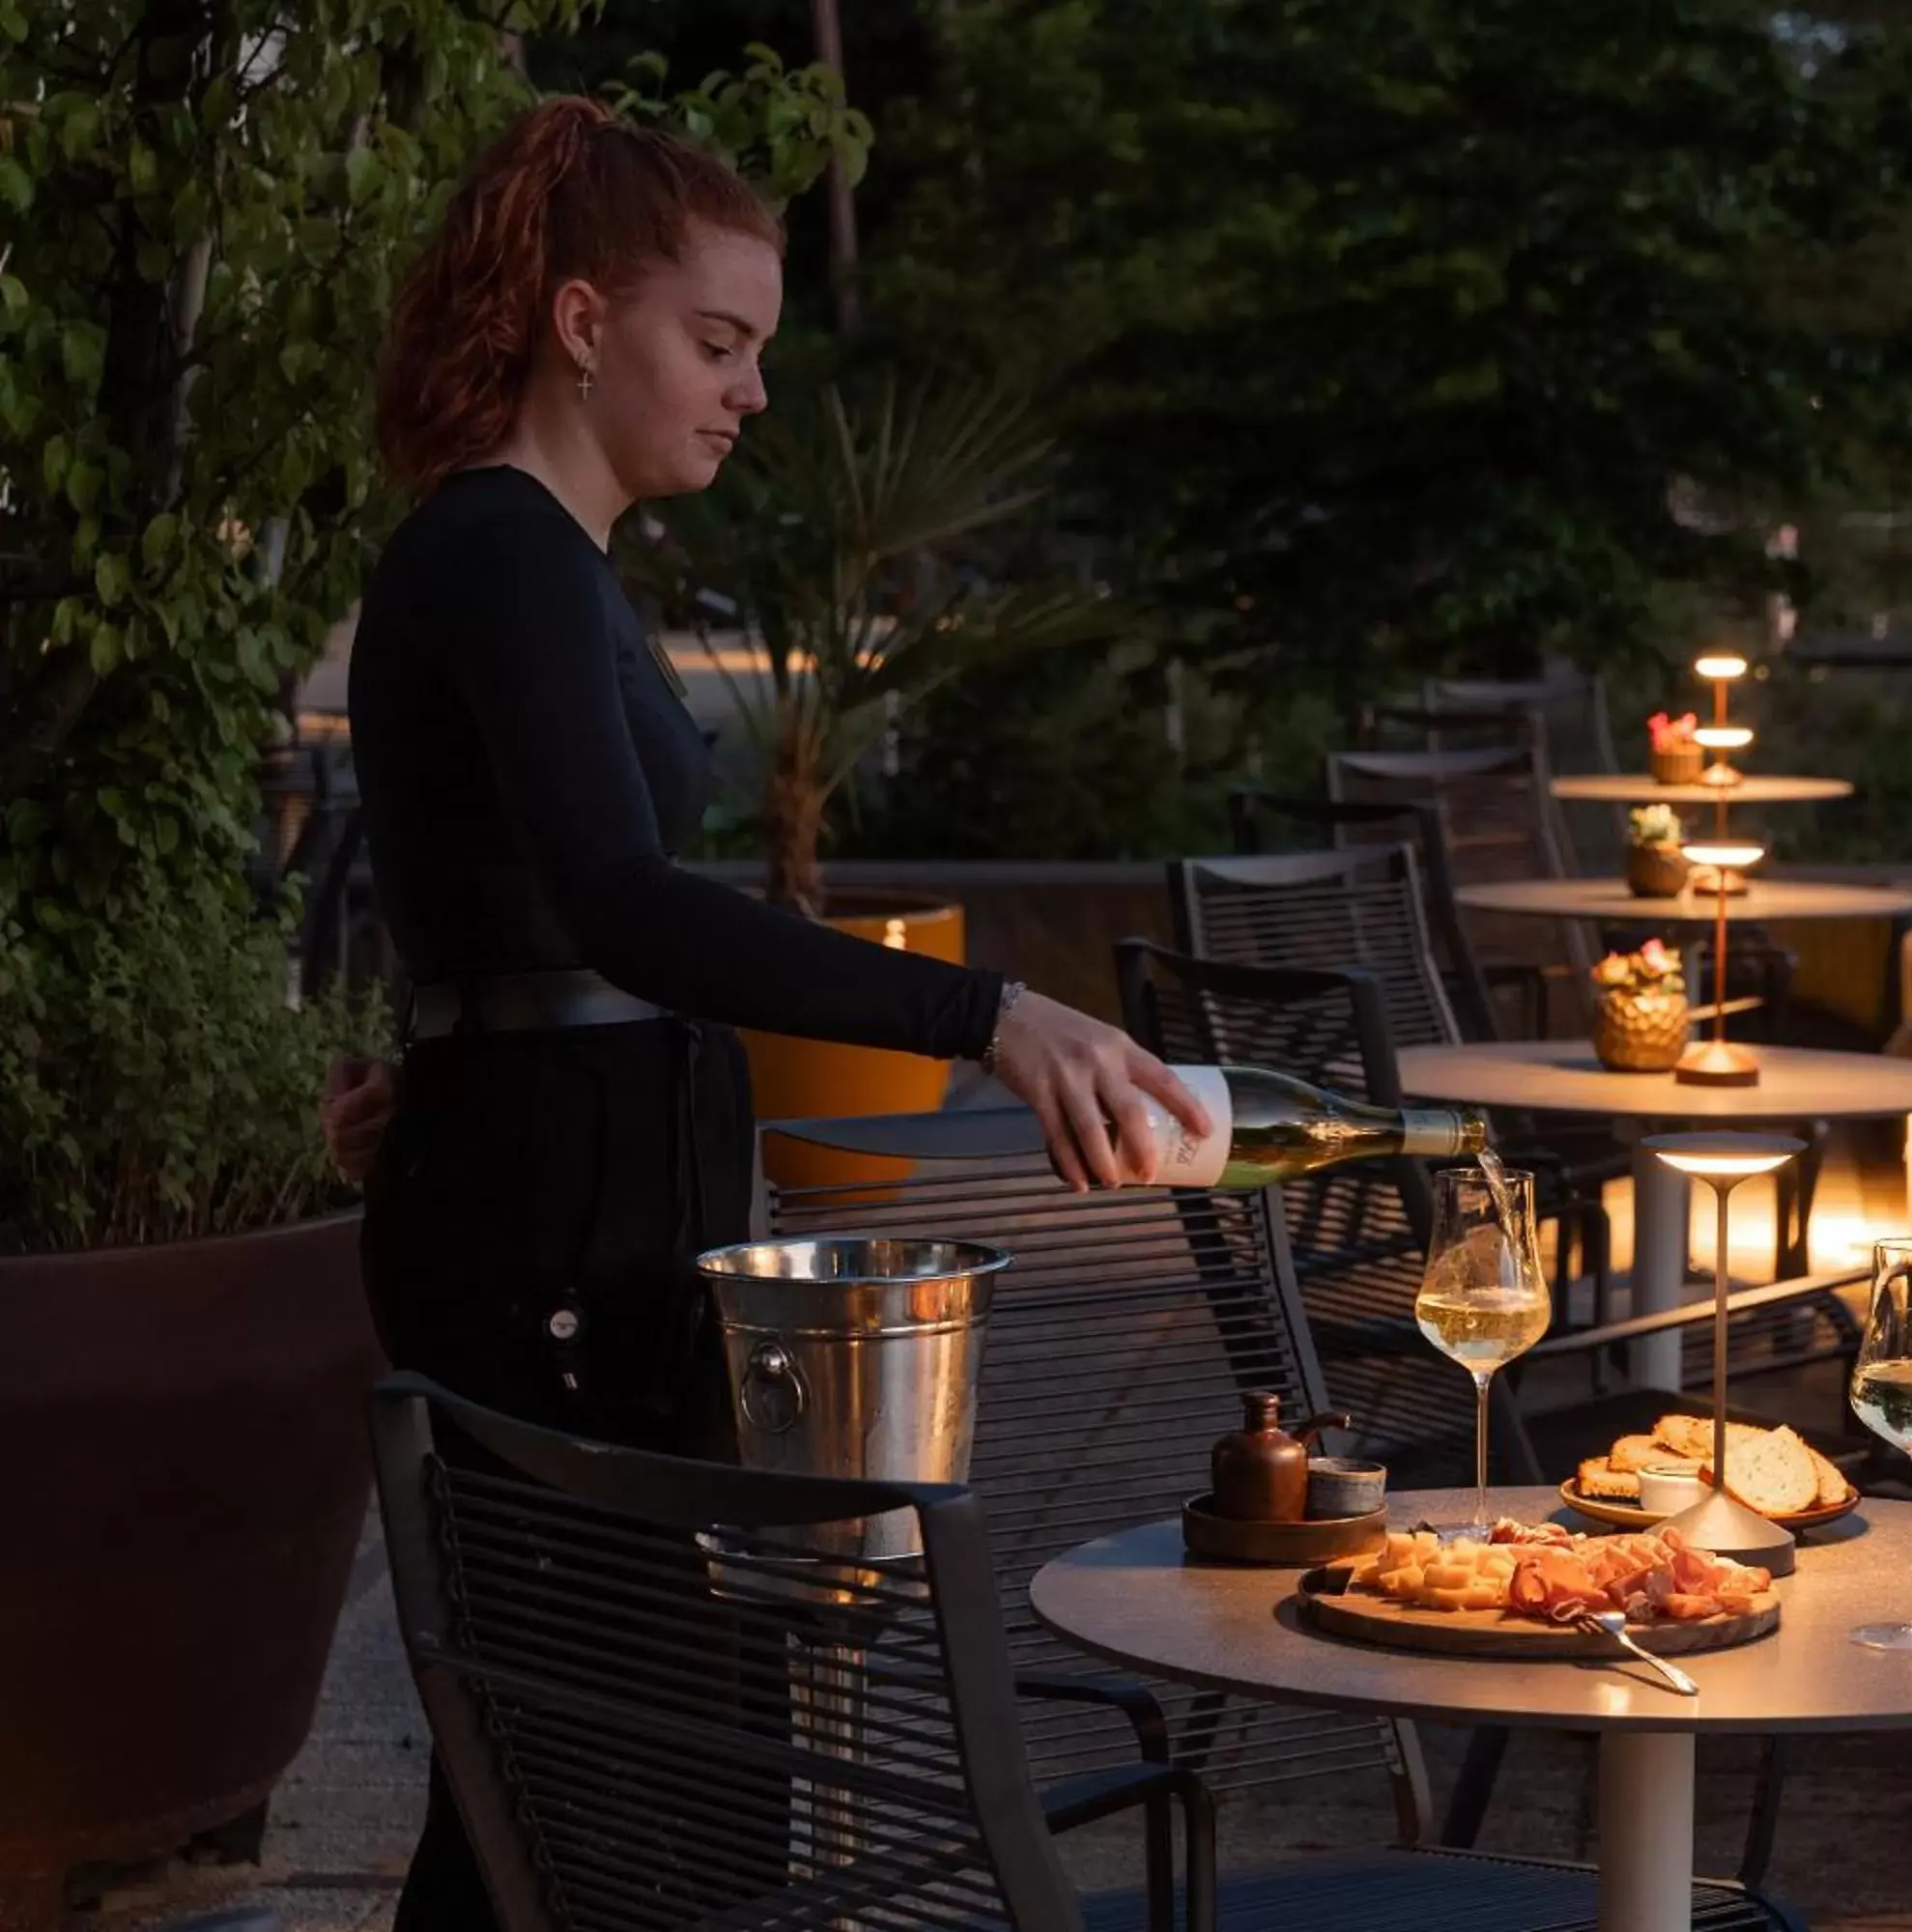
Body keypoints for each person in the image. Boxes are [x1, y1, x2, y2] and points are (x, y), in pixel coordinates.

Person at [333, 95, 1212, 1930]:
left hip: (577, 1208)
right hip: (549, 1249)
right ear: (583, 324)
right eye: (713, 343)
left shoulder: (548, 565)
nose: (745, 391)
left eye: (755, 351)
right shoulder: (497, 550)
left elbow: (502, 890)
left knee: (578, 1789)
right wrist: (993, 1018)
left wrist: (443, 1053)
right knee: (600, 1789)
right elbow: (627, 908)